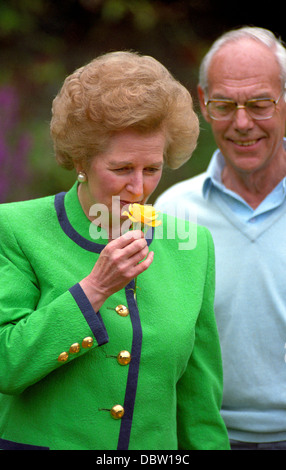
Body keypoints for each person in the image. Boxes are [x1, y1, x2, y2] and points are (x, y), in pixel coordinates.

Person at [0, 51, 229, 450]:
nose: (138, 187)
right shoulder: (15, 229)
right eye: (122, 169)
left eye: (152, 169)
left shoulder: (195, 247)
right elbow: (7, 365)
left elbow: (199, 405)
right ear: (82, 160)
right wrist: (93, 289)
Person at [155, 27, 286, 450]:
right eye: (225, 105)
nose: (242, 123)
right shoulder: (172, 213)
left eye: (261, 103)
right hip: (202, 438)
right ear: (202, 103)